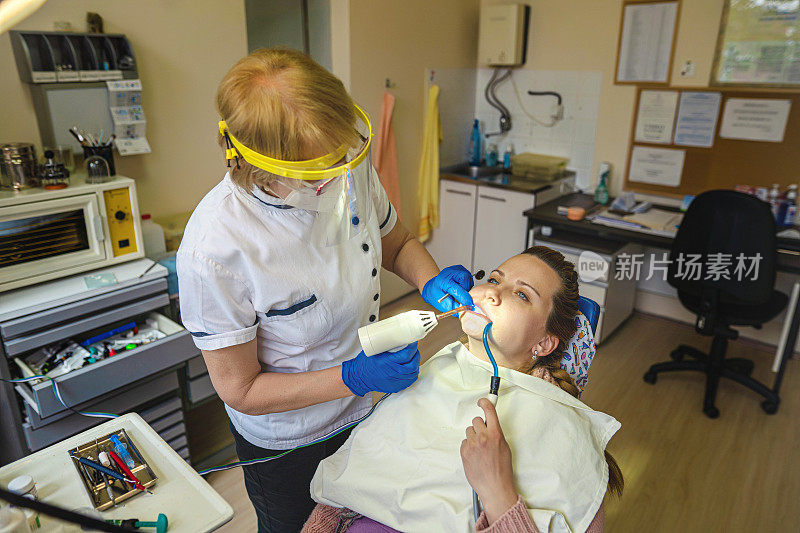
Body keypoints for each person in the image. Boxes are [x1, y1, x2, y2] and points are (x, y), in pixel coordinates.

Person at [176, 47, 474, 533]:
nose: (339, 177)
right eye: (316, 174)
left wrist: (429, 278)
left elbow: (394, 240)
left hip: (363, 411)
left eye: (341, 158)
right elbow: (240, 388)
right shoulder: (215, 249)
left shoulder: (346, 166)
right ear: (257, 165)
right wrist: (353, 377)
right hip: (288, 442)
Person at [304, 246, 623, 532]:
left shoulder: (562, 424)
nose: (492, 294)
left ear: (543, 343)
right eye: (495, 280)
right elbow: (335, 507)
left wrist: (499, 494)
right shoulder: (435, 371)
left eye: (522, 295)